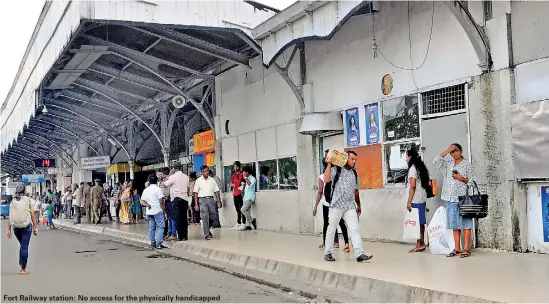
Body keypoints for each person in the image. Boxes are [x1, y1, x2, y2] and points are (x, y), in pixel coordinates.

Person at [324, 151, 373, 263]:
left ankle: (359, 254)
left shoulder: (354, 173)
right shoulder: (336, 170)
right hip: (336, 205)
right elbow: (327, 180)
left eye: (355, 160)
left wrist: (358, 205)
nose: (354, 161)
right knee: (331, 228)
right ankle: (328, 253)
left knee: (354, 229)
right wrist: (329, 164)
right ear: (346, 159)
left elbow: (356, 191)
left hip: (350, 206)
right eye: (352, 159)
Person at [434, 143, 475, 258]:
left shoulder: (467, 165)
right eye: (452, 152)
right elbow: (436, 160)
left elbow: (472, 181)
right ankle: (457, 248)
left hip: (463, 198)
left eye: (456, 150)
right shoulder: (448, 164)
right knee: (454, 223)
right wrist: (447, 150)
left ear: (461, 151)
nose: (454, 153)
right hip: (450, 197)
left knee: (466, 223)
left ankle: (466, 248)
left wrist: (460, 178)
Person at [313, 152, 350, 252]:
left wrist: (315, 205)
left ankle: (325, 244)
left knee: (327, 224)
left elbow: (320, 192)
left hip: (327, 204)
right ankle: (346, 244)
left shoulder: (322, 177)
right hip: (337, 202)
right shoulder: (339, 174)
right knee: (341, 222)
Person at [6, 184, 39, 275]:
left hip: (16, 228)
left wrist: (8, 230)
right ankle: (23, 268)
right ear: (25, 191)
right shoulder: (28, 200)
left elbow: (10, 216)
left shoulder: (12, 201)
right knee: (24, 246)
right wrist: (35, 226)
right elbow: (32, 214)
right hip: (26, 227)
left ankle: (21, 262)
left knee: (22, 245)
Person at [405, 149, 431, 253]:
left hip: (415, 199)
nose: (406, 158)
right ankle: (422, 243)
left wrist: (409, 201)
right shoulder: (421, 167)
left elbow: (412, 185)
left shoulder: (412, 168)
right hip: (422, 198)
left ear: (410, 157)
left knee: (416, 222)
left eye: (406, 156)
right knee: (421, 222)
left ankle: (419, 244)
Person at [193, 165, 222, 240]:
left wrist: (219, 201)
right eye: (204, 171)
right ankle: (206, 235)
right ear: (202, 172)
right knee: (205, 216)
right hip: (202, 200)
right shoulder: (198, 180)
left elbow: (216, 190)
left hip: (211, 199)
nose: (206, 173)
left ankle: (208, 229)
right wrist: (196, 204)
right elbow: (195, 193)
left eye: (207, 171)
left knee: (213, 216)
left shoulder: (212, 180)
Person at [140, 174, 167, 249]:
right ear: (157, 181)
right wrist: (164, 211)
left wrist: (147, 205)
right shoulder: (158, 189)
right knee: (161, 227)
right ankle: (159, 243)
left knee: (152, 227)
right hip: (158, 210)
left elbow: (142, 201)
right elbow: (161, 201)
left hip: (149, 212)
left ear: (149, 181)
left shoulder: (146, 190)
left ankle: (153, 242)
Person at [164, 165, 190, 242]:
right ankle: (185, 236)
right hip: (185, 198)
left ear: (174, 169)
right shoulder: (186, 177)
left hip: (176, 199)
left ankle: (180, 236)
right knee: (184, 218)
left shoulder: (173, 176)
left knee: (178, 218)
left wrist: (170, 175)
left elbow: (165, 185)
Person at [239, 166, 257, 231]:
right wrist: (243, 190)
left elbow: (250, 184)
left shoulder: (252, 178)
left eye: (244, 172)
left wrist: (246, 178)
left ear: (247, 172)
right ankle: (248, 226)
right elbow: (247, 187)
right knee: (247, 211)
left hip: (250, 197)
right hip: (246, 197)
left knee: (243, 209)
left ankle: (252, 220)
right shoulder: (247, 178)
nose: (243, 173)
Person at [229, 161, 246, 230]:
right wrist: (233, 184)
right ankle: (238, 223)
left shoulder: (242, 174)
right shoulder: (234, 174)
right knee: (237, 210)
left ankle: (243, 223)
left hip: (240, 194)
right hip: (235, 193)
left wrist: (234, 184)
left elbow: (239, 183)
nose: (235, 168)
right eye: (234, 167)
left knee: (242, 209)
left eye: (236, 166)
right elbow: (230, 183)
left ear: (239, 167)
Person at [157, 168, 171, 239]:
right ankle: (164, 233)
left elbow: (166, 193)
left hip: (165, 201)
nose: (160, 176)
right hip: (160, 203)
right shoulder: (157, 183)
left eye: (161, 174)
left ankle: (166, 233)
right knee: (162, 218)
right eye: (158, 174)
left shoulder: (166, 181)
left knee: (167, 217)